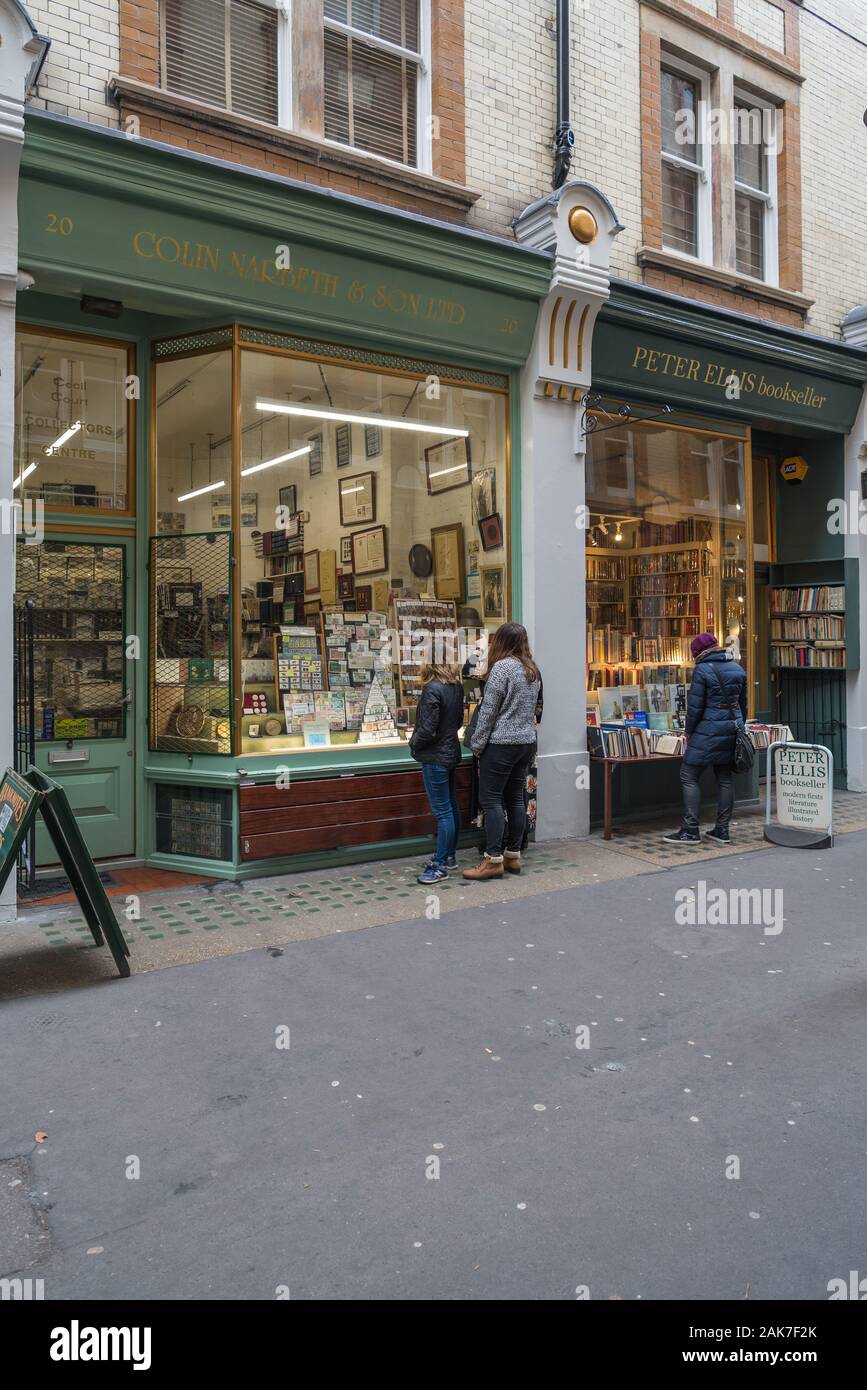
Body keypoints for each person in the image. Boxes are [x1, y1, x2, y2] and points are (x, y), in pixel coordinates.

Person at [463, 622, 541, 880]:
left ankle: (492, 859)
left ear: (501, 642)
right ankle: (513, 855)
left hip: (501, 744)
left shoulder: (502, 668)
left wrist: (477, 744)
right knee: (515, 799)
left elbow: (488, 712)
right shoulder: (531, 668)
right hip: (525, 742)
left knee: (491, 800)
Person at [663, 632, 747, 847]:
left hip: (707, 729)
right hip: (732, 727)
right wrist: (737, 725)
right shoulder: (737, 668)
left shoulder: (702, 670)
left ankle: (691, 829)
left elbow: (695, 707)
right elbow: (743, 705)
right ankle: (722, 829)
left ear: (698, 652)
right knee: (725, 777)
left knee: (688, 775)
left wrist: (688, 731)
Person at [409, 659, 465, 884]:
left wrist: (413, 743)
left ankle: (440, 864)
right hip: (451, 752)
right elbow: (459, 721)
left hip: (434, 756)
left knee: (443, 811)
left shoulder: (431, 688)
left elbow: (427, 728)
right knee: (451, 806)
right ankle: (449, 856)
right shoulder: (456, 686)